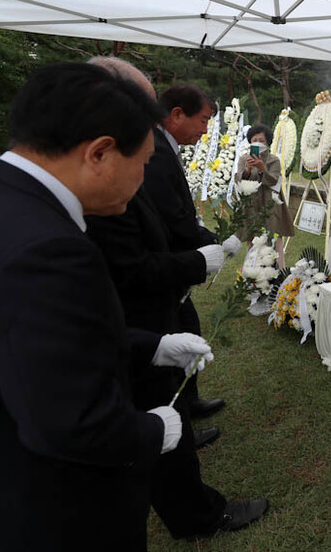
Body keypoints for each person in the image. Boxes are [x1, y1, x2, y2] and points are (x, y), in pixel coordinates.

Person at [0, 62, 212, 550]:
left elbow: (36, 343)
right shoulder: (47, 247)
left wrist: (151, 346)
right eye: (142, 164)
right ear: (100, 154)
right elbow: (72, 422)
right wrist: (154, 428)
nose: (141, 184)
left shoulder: (6, 197)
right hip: (56, 512)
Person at [83, 57, 268, 540]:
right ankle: (199, 517)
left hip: (139, 323)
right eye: (144, 110)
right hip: (137, 314)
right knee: (161, 422)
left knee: (171, 409)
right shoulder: (100, 180)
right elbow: (129, 260)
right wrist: (195, 262)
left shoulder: (114, 163)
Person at [143, 84, 238, 425]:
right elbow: (171, 214)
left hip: (174, 265)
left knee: (189, 327)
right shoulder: (154, 150)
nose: (205, 129)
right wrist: (207, 241)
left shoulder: (165, 147)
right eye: (203, 120)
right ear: (177, 114)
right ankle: (178, 417)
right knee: (177, 336)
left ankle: (189, 403)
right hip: (165, 265)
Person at [238, 123, 295, 264]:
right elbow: (238, 179)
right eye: (254, 140)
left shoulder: (273, 160)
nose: (257, 143)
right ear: (250, 142)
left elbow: (273, 179)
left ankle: (278, 271)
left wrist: (262, 168)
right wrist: (247, 170)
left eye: (261, 140)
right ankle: (251, 272)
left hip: (270, 202)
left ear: (268, 142)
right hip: (251, 203)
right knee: (252, 236)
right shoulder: (244, 159)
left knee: (274, 237)